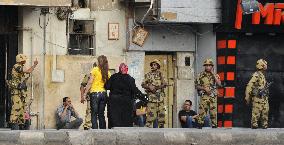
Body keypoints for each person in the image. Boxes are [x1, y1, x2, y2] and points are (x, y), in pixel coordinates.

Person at [105, 63, 142, 127]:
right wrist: (143, 97)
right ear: (127, 69)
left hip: (114, 102)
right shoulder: (130, 79)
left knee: (114, 121)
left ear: (119, 69)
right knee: (126, 122)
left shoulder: (113, 77)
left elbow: (107, 86)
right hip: (126, 102)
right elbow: (135, 90)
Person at [7, 54, 38, 130]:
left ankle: (21, 123)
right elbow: (28, 71)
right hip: (16, 91)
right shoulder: (17, 66)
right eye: (24, 59)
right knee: (16, 107)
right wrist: (34, 65)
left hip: (21, 91)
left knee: (22, 108)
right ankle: (14, 123)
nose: (25, 60)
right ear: (20, 60)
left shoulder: (20, 67)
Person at [83, 55, 111, 129]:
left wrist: (85, 93)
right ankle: (103, 132)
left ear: (99, 62)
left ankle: (95, 132)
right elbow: (109, 84)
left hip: (95, 94)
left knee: (94, 114)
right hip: (104, 94)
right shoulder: (107, 72)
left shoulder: (95, 69)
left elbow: (90, 82)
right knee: (101, 114)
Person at [195, 58, 222, 128]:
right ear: (204, 66)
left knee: (213, 113)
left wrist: (213, 74)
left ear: (212, 66)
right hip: (204, 96)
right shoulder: (200, 75)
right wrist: (204, 88)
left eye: (209, 65)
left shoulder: (215, 75)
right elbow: (196, 86)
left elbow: (219, 84)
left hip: (213, 96)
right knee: (202, 112)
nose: (208, 67)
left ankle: (214, 126)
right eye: (206, 65)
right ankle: (199, 125)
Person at [142, 59, 167, 128]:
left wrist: (156, 88)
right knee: (150, 115)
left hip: (160, 98)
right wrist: (149, 87)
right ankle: (147, 128)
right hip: (151, 98)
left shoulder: (161, 74)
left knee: (161, 115)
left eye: (155, 64)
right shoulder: (148, 74)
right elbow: (143, 84)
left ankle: (162, 129)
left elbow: (164, 84)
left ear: (158, 66)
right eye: (152, 64)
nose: (153, 66)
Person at [245, 59, 269, 129]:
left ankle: (264, 126)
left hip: (264, 98)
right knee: (255, 117)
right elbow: (249, 86)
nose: (266, 66)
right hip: (258, 99)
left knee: (265, 113)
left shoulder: (262, 75)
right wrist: (247, 97)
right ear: (262, 65)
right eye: (265, 64)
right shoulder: (256, 75)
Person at [80, 62, 97, 130]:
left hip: (98, 96)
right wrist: (82, 96)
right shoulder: (89, 75)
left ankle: (94, 125)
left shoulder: (101, 75)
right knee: (90, 110)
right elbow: (82, 86)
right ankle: (87, 126)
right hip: (90, 96)